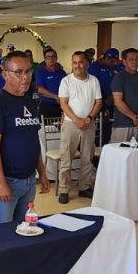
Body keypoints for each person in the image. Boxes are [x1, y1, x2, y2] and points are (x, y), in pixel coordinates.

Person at [0, 51, 51, 224]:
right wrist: (0, 183)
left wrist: (42, 173)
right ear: (5, 75)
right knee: (4, 230)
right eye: (18, 72)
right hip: (8, 180)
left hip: (29, 179)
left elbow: (33, 141)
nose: (25, 77)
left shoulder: (30, 102)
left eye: (28, 71)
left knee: (24, 227)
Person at [57, 51, 102, 204]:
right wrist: (77, 120)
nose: (77, 65)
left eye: (80, 62)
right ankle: (64, 190)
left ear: (86, 64)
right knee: (66, 158)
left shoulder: (94, 81)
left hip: (89, 124)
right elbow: (63, 103)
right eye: (74, 62)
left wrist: (89, 118)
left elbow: (98, 102)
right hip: (71, 124)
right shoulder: (66, 81)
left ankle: (84, 187)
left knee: (87, 158)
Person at [110, 48, 138, 143]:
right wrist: (134, 117)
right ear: (124, 61)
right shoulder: (119, 78)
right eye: (131, 59)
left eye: (137, 59)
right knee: (119, 151)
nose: (134, 62)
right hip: (123, 125)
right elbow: (118, 102)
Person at [34, 47, 66, 118]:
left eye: (53, 56)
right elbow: (40, 89)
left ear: (56, 58)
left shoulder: (62, 72)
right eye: (48, 57)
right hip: (47, 106)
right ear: (45, 59)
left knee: (62, 124)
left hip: (61, 105)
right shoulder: (40, 72)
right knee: (48, 125)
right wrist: (55, 97)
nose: (51, 59)